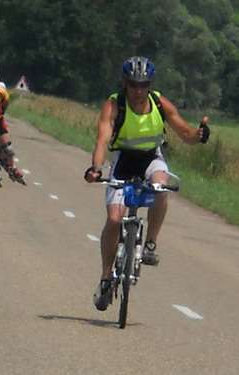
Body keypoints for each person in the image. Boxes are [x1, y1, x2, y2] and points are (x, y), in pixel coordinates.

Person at [84, 56, 210, 311]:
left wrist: (199, 135)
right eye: (133, 85)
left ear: (150, 85)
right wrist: (96, 168)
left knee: (161, 184)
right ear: (125, 83)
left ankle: (150, 243)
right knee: (114, 220)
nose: (138, 91)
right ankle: (106, 277)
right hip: (123, 161)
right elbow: (102, 140)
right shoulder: (114, 105)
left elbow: (186, 134)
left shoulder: (159, 103)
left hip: (152, 157)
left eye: (143, 85)